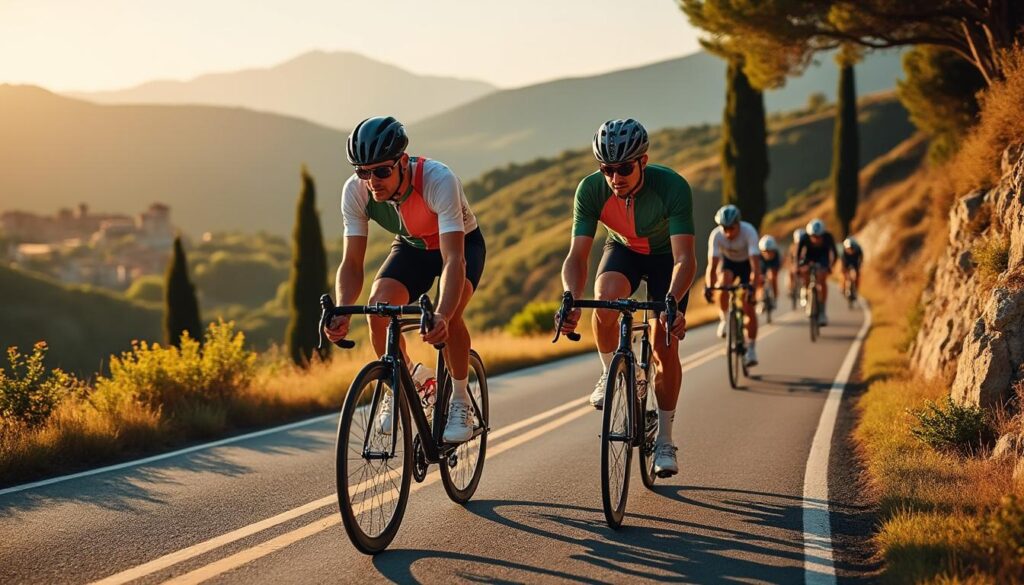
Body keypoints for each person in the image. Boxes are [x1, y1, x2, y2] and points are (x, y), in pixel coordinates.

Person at [323, 116, 486, 444]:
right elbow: (352, 263)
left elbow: (454, 259)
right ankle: (405, 380)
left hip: (458, 245)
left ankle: (459, 400)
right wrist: (341, 308)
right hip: (412, 248)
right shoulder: (355, 192)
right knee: (378, 308)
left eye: (381, 171)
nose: (372, 181)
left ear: (402, 163)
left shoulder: (438, 180)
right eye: (362, 172)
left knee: (450, 317)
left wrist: (441, 312)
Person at [558, 118, 697, 477]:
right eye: (606, 168)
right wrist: (570, 297)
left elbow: (685, 258)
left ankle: (664, 439)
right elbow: (577, 256)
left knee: (664, 343)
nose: (614, 177)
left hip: (667, 259)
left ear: (643, 161)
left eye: (623, 168)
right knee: (604, 299)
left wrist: (671, 302)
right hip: (624, 251)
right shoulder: (590, 191)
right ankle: (612, 371)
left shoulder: (672, 187)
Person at [703, 204, 762, 367]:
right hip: (729, 264)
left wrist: (752, 287)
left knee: (748, 305)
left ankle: (751, 348)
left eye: (732, 228)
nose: (728, 232)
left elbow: (755, 267)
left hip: (747, 265)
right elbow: (712, 266)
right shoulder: (716, 235)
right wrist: (709, 286)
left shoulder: (749, 232)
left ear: (738, 224)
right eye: (725, 228)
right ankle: (724, 318)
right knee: (723, 284)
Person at [796, 218, 837, 326]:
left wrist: (830, 267)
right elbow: (798, 254)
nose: (815, 239)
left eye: (818, 237)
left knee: (822, 280)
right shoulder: (804, 237)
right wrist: (798, 267)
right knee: (805, 272)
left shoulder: (828, 237)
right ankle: (805, 291)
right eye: (813, 236)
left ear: (823, 234)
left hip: (823, 257)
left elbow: (835, 254)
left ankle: (822, 311)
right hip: (809, 257)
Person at [758, 235, 781, 312]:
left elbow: (776, 267)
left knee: (773, 277)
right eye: (765, 252)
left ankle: (774, 297)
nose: (767, 254)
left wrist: (772, 275)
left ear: (773, 250)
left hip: (772, 265)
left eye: (769, 251)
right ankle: (761, 300)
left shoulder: (776, 255)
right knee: (759, 281)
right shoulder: (758, 255)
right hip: (763, 266)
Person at [789, 228, 805, 305]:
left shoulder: (806, 246)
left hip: (803, 264)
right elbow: (790, 258)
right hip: (795, 264)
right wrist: (792, 265)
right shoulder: (792, 247)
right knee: (791, 274)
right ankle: (791, 288)